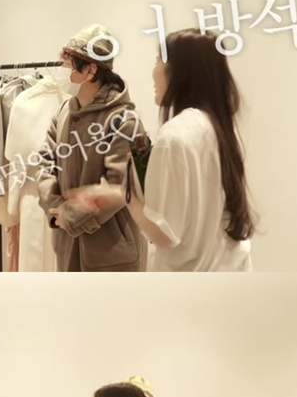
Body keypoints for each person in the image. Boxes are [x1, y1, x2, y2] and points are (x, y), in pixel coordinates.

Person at [66, 29, 255, 272]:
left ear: (180, 71)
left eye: (158, 60)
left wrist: (128, 197)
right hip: (231, 272)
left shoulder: (173, 136)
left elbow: (164, 233)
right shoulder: (223, 129)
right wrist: (118, 194)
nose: (154, 71)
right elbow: (193, 206)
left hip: (189, 280)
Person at [36, 25, 145, 272]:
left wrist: (71, 214)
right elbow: (43, 164)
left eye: (67, 63)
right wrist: (57, 209)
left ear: (91, 69)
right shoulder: (63, 112)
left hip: (111, 254)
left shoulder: (124, 120)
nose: (61, 69)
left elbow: (120, 186)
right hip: (67, 245)